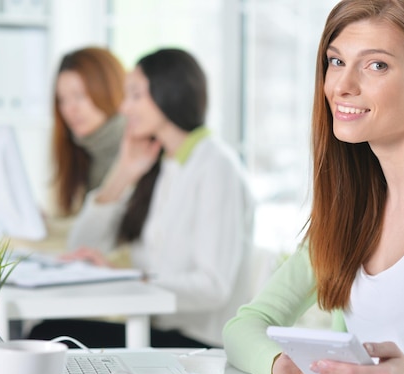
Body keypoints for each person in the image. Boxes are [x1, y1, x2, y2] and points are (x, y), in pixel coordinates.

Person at [223, 1, 404, 374]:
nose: (341, 85)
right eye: (336, 60)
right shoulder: (356, 206)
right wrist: (286, 368)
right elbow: (244, 326)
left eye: (376, 66)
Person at [29, 48, 255, 348]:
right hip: (156, 331)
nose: (124, 108)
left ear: (168, 95)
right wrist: (123, 172)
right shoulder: (160, 165)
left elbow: (213, 287)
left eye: (135, 96)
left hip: (200, 343)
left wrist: (126, 279)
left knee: (48, 337)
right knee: (45, 332)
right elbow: (82, 246)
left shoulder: (215, 167)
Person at [49, 47, 126, 217]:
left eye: (79, 96)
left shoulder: (135, 149)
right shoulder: (76, 147)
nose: (70, 109)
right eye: (62, 99)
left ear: (108, 90)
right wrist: (49, 223)